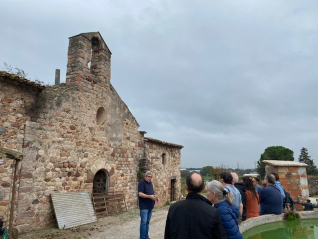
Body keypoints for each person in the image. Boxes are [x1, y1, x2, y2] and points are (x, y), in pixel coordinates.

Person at [164, 172, 228, 239]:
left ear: (186, 187)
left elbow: (167, 235)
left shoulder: (173, 208)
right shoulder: (212, 212)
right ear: (203, 186)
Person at [138, 171, 159, 239]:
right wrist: (150, 197)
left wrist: (156, 198)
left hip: (150, 206)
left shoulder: (150, 184)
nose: (150, 178)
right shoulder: (142, 183)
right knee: (143, 222)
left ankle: (146, 236)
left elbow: (152, 193)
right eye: (148, 176)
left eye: (151, 177)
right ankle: (142, 237)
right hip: (144, 206)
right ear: (145, 176)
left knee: (147, 222)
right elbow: (140, 194)